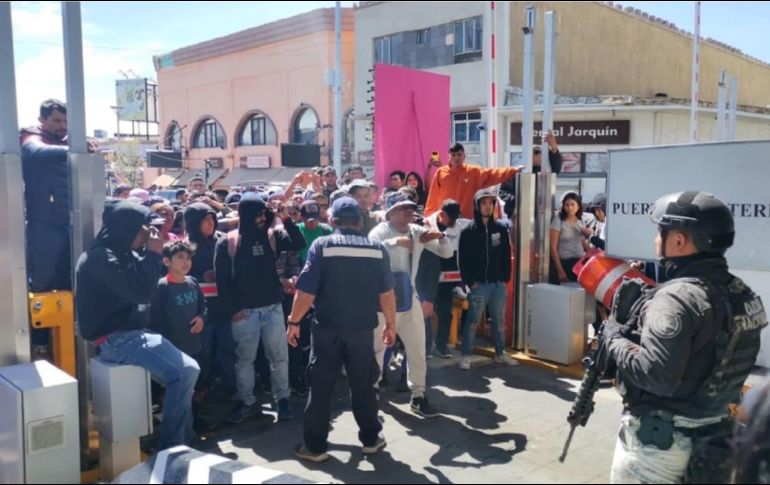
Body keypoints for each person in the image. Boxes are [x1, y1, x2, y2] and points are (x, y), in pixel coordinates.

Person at [605, 191, 768, 484]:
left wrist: (613, 336)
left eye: (660, 232)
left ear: (678, 240)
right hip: (714, 440)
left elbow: (656, 375)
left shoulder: (676, 298)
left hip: (659, 450)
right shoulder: (743, 294)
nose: (656, 240)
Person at [75, 201, 199, 449]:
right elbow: (142, 293)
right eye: (146, 227)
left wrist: (148, 254)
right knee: (186, 371)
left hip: (134, 334)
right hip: (118, 339)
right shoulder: (100, 258)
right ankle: (173, 445)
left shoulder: (123, 254)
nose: (151, 233)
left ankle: (184, 438)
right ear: (128, 228)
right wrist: (153, 254)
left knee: (184, 374)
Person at [288, 197, 396, 462]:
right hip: (361, 330)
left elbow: (306, 292)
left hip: (327, 330)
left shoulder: (322, 245)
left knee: (321, 388)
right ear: (359, 222)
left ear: (332, 220)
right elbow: (387, 293)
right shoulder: (377, 249)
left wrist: (293, 322)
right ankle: (371, 439)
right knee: (363, 385)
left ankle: (315, 447)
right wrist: (391, 324)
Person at [215, 194, 306, 424]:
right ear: (245, 214)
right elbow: (222, 281)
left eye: (264, 213)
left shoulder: (272, 236)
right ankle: (247, 401)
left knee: (279, 357)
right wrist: (232, 309)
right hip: (244, 312)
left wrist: (285, 219)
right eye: (258, 214)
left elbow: (299, 243)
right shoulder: (228, 242)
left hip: (273, 307)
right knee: (244, 360)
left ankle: (282, 399)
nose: (262, 218)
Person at [368, 191, 453, 417]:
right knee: (378, 349)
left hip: (410, 297)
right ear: (391, 212)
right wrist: (396, 242)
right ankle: (371, 391)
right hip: (383, 299)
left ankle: (418, 395)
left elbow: (447, 253)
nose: (409, 211)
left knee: (417, 348)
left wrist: (441, 236)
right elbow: (371, 250)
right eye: (403, 208)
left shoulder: (417, 231)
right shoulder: (381, 230)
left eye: (411, 208)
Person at [458, 189, 519, 370]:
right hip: (478, 285)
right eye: (483, 202)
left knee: (499, 320)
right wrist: (470, 282)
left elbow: (506, 255)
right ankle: (466, 355)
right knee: (473, 321)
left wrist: (505, 278)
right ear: (477, 205)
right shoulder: (468, 230)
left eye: (491, 202)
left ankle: (500, 353)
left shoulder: (500, 228)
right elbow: (462, 259)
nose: (487, 206)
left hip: (498, 284)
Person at [184, 202, 235, 395]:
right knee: (203, 351)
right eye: (204, 219)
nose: (210, 223)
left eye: (212, 218)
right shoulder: (186, 246)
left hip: (223, 305)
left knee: (228, 348)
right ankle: (202, 388)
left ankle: (231, 387)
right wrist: (200, 276)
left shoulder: (222, 240)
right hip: (200, 309)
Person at [424, 143, 524, 220]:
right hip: (446, 222)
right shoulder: (440, 172)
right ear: (448, 157)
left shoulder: (473, 172)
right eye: (453, 155)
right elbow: (433, 195)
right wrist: (428, 216)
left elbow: (492, 174)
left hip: (468, 221)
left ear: (464, 156)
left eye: (459, 154)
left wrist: (512, 170)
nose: (456, 158)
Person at [425, 199, 470, 358]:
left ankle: (441, 345)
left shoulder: (461, 226)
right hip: (428, 278)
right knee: (425, 313)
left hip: (447, 280)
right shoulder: (427, 225)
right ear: (441, 214)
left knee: (445, 313)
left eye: (456, 218)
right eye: (450, 218)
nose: (453, 222)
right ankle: (426, 347)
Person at [151, 241, 205, 362]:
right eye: (180, 257)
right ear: (166, 261)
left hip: (194, 346)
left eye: (188, 258)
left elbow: (203, 306)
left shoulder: (193, 282)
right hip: (171, 350)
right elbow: (154, 320)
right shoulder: (161, 286)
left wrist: (201, 318)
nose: (186, 262)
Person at [499, 130, 563, 218]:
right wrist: (518, 200)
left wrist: (554, 147)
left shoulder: (547, 173)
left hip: (541, 217)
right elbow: (502, 192)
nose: (534, 154)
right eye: (533, 152)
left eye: (538, 152)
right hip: (518, 216)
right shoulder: (516, 172)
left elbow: (557, 166)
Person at [549, 191, 591, 284]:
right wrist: (560, 270)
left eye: (572, 204)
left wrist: (594, 254)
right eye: (567, 205)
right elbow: (553, 248)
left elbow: (582, 242)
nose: (570, 208)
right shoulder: (559, 220)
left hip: (580, 262)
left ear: (578, 206)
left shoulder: (581, 220)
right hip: (564, 262)